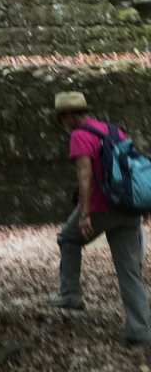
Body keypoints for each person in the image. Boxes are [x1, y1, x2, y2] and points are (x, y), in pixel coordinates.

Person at [48, 91, 151, 346]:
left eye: (61, 118)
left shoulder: (79, 136)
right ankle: (140, 331)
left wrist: (83, 213)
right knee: (129, 273)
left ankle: (71, 293)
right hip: (129, 208)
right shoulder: (112, 130)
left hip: (101, 209)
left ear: (69, 116)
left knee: (67, 239)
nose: (62, 123)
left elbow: (85, 176)